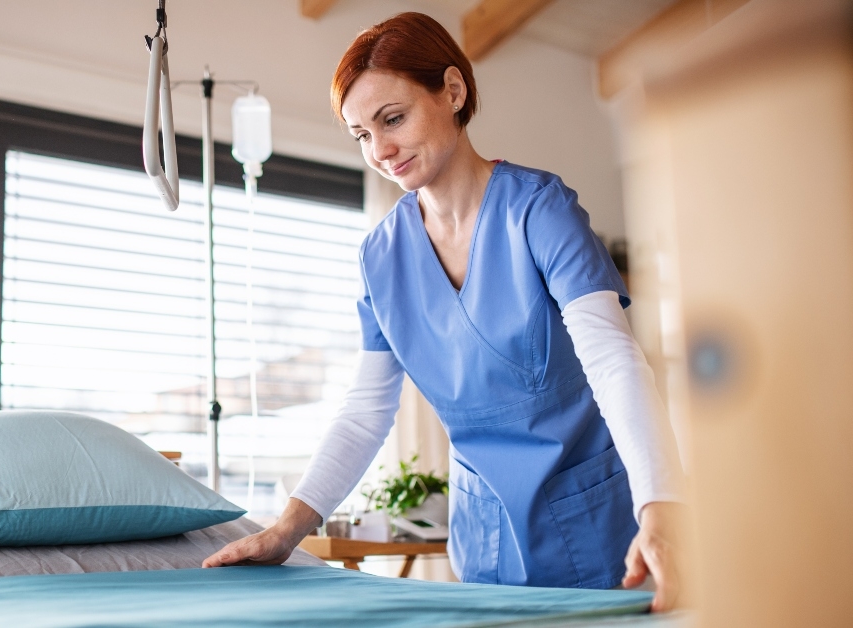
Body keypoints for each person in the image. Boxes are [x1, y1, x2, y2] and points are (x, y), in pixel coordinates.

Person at [202, 12, 686, 612]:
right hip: (483, 534)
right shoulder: (382, 257)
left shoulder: (539, 211)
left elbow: (612, 359)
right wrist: (286, 529)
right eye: (360, 134)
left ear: (453, 92)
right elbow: (365, 412)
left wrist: (661, 506)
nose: (379, 150)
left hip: (596, 523)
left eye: (393, 119)